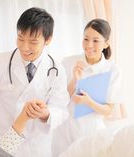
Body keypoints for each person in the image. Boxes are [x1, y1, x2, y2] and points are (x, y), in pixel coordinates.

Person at [0, 7, 69, 157]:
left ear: (48, 39)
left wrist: (45, 113)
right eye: (20, 38)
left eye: (33, 41)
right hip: (4, 143)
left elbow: (61, 110)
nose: (24, 47)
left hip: (37, 148)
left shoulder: (57, 70)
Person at [52, 19, 123, 157]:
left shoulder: (113, 70)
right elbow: (57, 100)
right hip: (64, 133)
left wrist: (88, 101)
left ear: (106, 43)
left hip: (91, 134)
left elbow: (108, 110)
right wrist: (74, 80)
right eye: (86, 39)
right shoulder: (68, 62)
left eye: (96, 41)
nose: (89, 45)